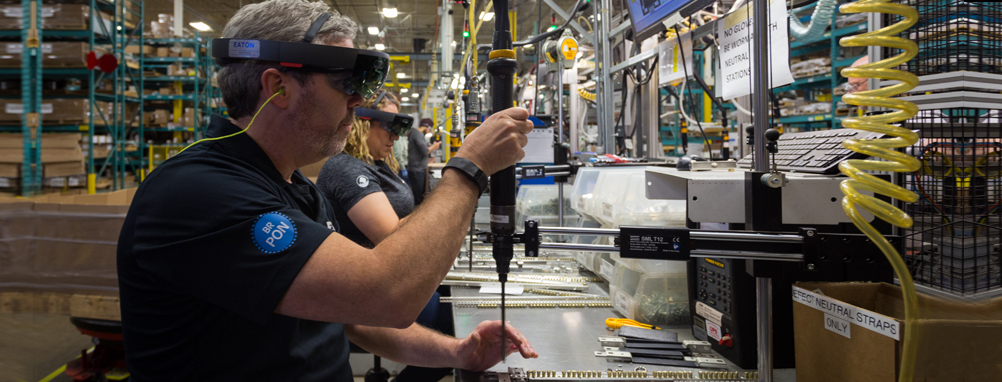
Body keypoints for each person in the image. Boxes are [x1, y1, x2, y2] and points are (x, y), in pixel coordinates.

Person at [115, 0, 538, 380]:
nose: (357, 102)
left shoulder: (295, 187)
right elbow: (386, 294)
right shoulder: (199, 191)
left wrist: (457, 352)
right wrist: (468, 167)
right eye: (345, 83)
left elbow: (352, 317)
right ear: (278, 87)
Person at [317, 90, 453, 381]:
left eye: (400, 128)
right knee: (453, 334)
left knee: (456, 309)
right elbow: (392, 239)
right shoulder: (345, 167)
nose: (396, 136)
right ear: (363, 123)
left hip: (396, 279)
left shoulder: (380, 165)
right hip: (371, 291)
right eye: (389, 126)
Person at [407, 119, 440, 205]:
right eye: (429, 128)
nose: (429, 131)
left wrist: (426, 159)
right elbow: (424, 151)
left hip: (416, 168)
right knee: (419, 198)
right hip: (417, 170)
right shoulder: (418, 134)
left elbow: (418, 151)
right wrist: (435, 146)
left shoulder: (414, 133)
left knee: (418, 196)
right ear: (426, 127)